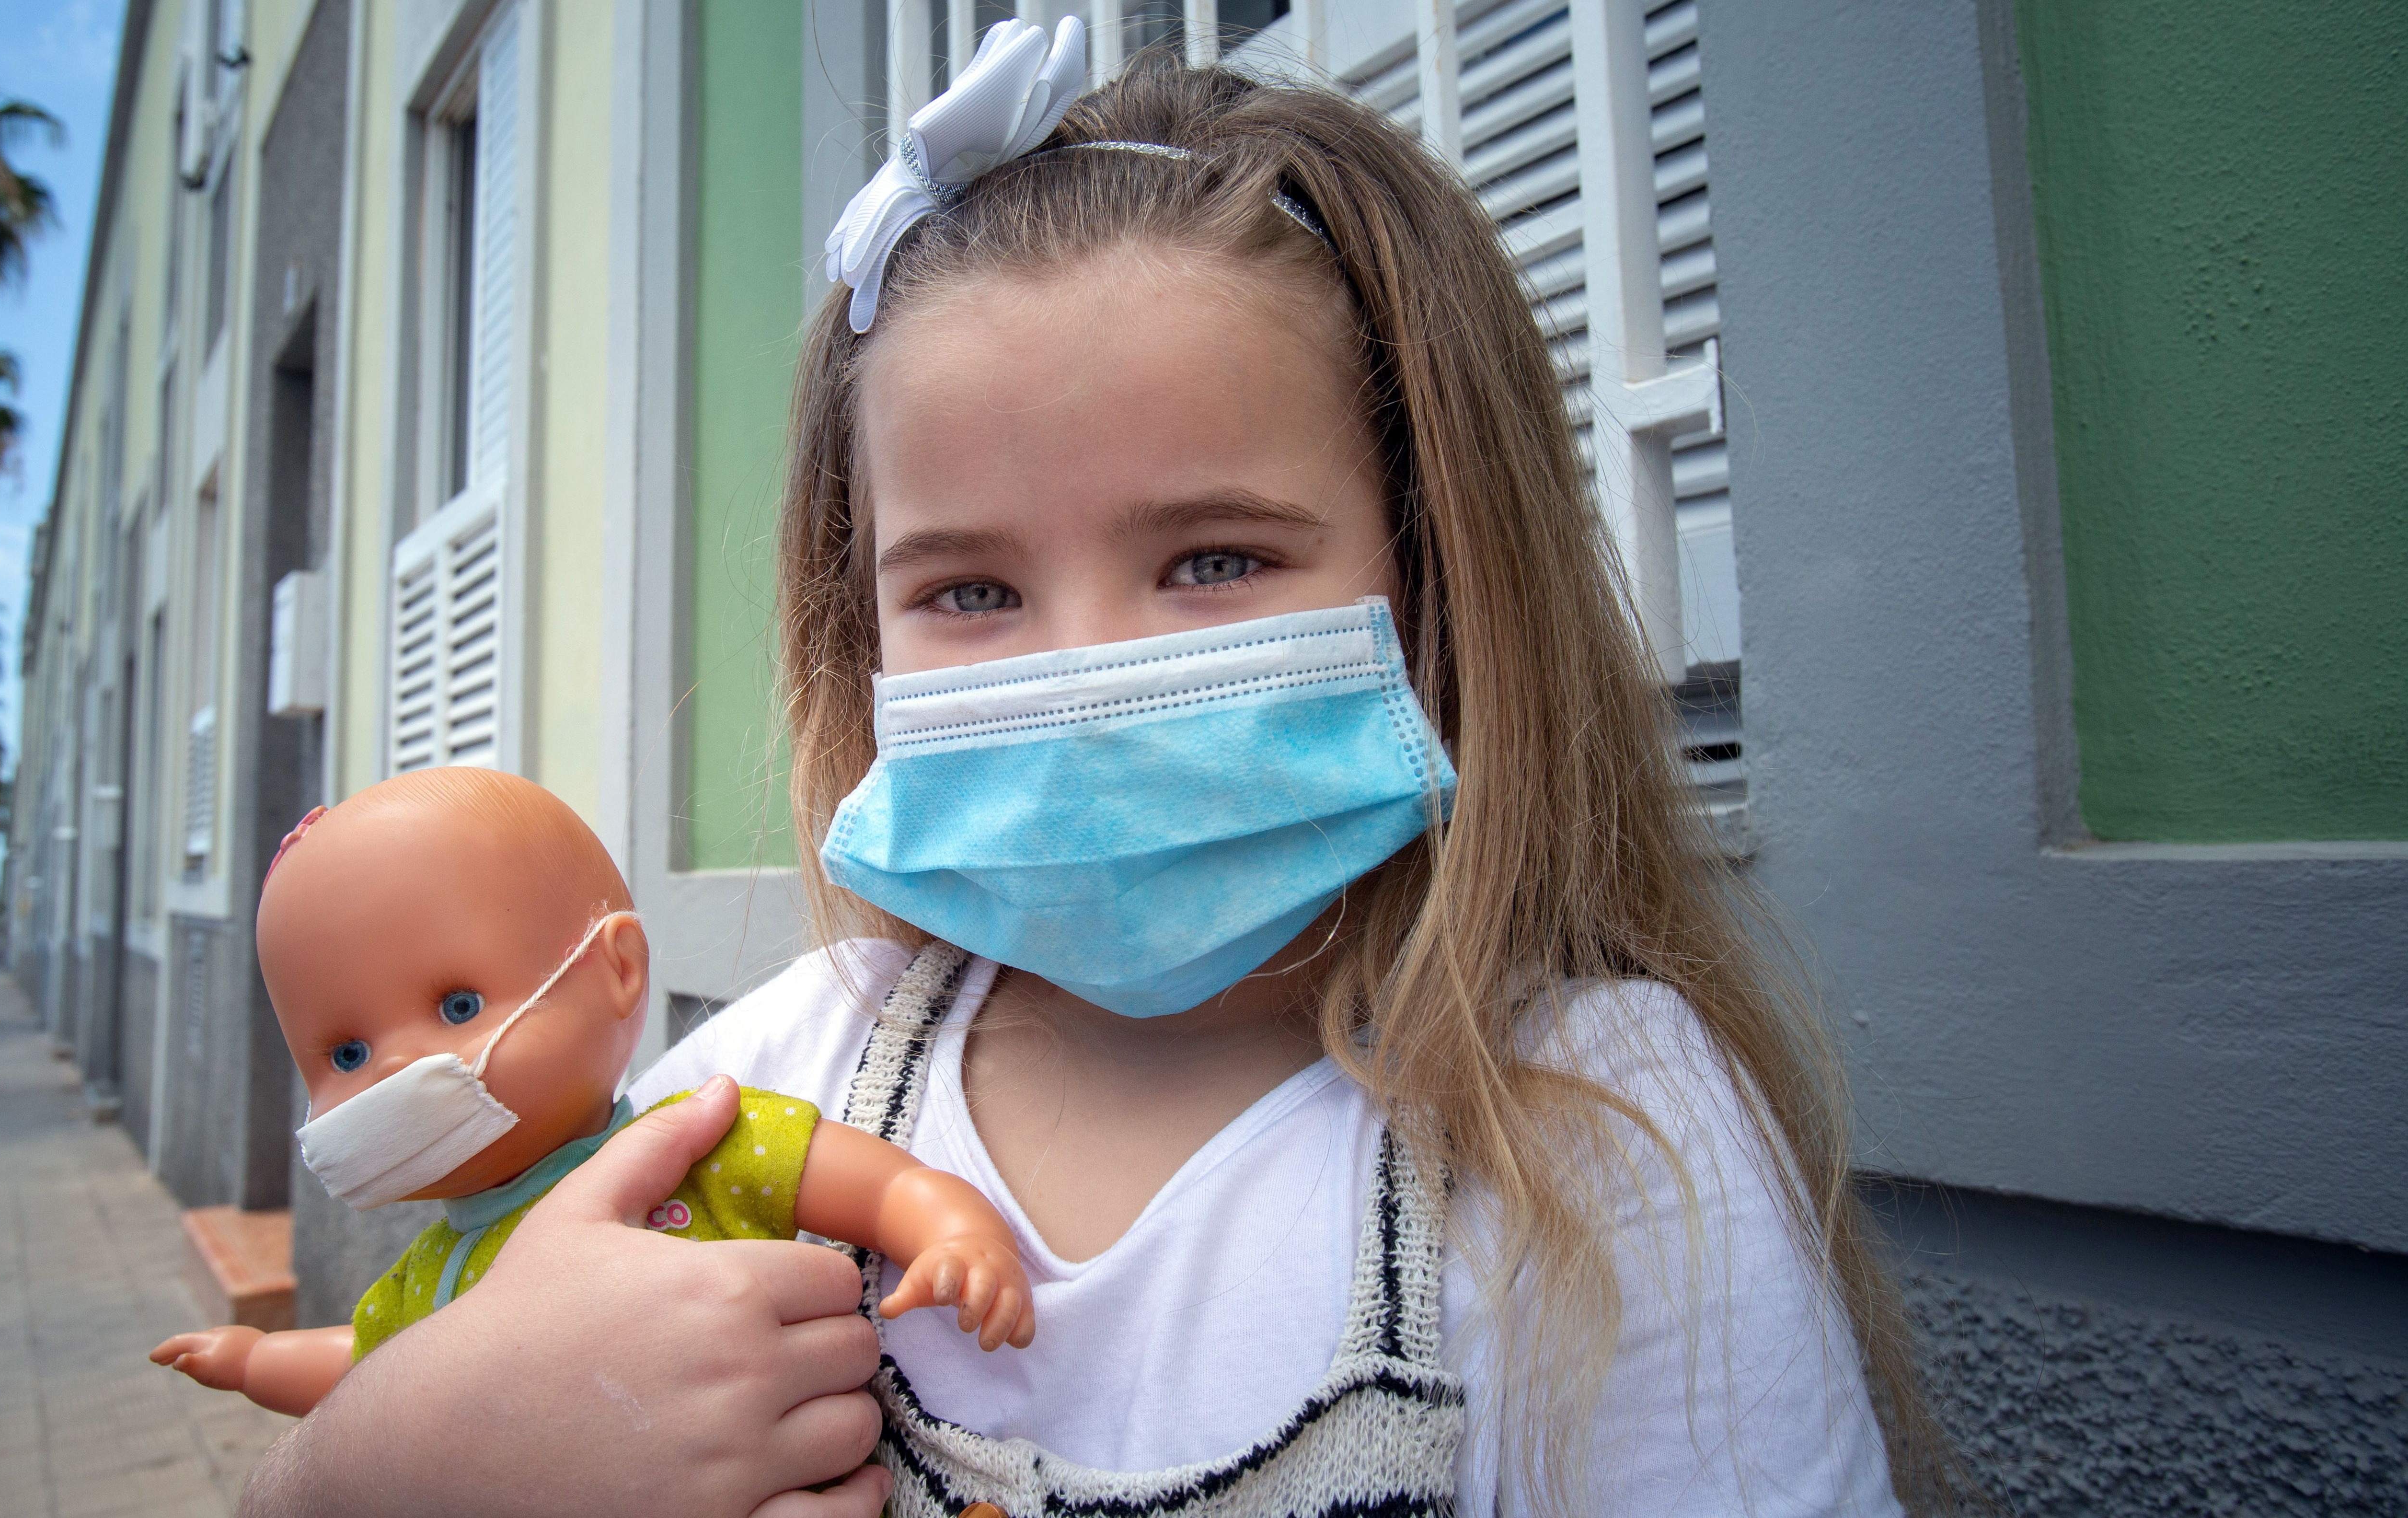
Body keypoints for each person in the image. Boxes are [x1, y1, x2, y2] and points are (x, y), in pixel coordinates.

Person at [242, 24, 1957, 1518]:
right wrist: (380, 1464)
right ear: (864, 630)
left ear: (1440, 578)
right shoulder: (799, 1053)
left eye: (1213, 558)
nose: (1077, 666)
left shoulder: (1598, 1138)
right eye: (971, 590)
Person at [150, 768, 1034, 1416]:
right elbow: (370, 1365)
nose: (388, 1067)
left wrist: (956, 1233)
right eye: (344, 1053)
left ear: (616, 971)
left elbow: (877, 1184)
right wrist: (256, 1360)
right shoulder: (431, 1274)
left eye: (457, 1006)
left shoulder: (697, 1147)